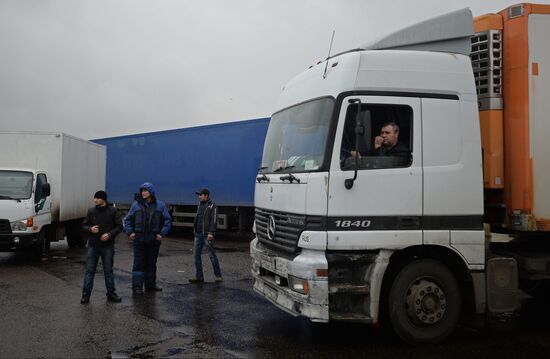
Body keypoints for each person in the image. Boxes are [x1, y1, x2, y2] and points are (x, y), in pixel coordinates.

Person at [124, 182, 171, 295]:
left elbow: (167, 221)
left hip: (153, 240)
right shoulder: (136, 205)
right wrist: (130, 232)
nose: (143, 193)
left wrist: (162, 234)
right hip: (139, 240)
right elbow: (127, 220)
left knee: (151, 263)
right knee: (139, 263)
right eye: (142, 191)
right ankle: (137, 288)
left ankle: (150, 285)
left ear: (151, 192)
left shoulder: (160, 205)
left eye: (145, 190)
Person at [81, 190, 123, 304]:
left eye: (97, 198)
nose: (95, 200)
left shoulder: (113, 211)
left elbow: (119, 227)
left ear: (103, 199)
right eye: (94, 198)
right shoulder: (91, 211)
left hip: (107, 246)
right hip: (93, 246)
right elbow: (84, 226)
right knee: (89, 271)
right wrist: (90, 229)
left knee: (108, 271)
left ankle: (111, 294)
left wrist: (109, 235)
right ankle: (85, 295)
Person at [189, 188, 222, 283]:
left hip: (207, 235)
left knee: (212, 256)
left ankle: (218, 276)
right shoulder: (199, 205)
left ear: (206, 195)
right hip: (198, 234)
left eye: (201, 195)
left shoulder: (212, 206)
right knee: (196, 255)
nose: (199, 196)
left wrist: (211, 233)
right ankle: (199, 276)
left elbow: (214, 220)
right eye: (198, 195)